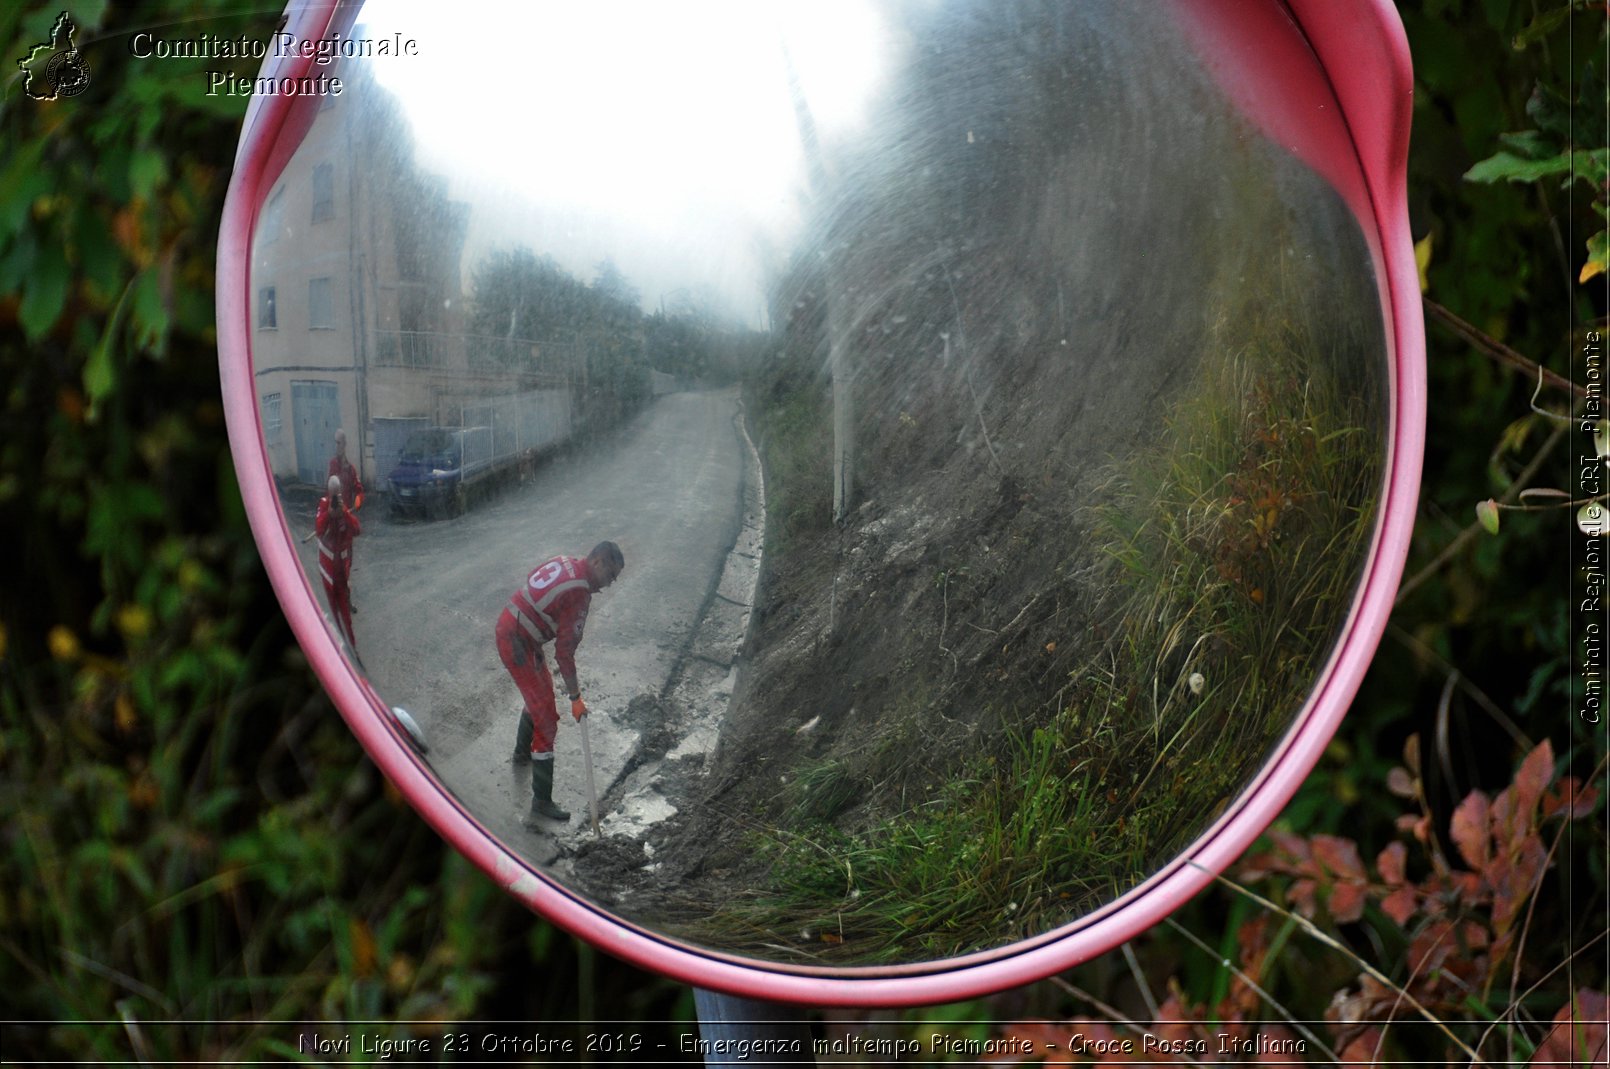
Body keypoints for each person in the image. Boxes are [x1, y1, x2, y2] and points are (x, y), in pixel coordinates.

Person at [498, 541, 625, 822]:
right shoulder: (580, 594)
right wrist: (576, 698)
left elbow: (533, 577)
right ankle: (542, 801)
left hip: (516, 630)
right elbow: (565, 654)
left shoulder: (566, 561)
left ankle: (522, 754)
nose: (608, 584)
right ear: (598, 562)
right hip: (518, 642)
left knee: (540, 700)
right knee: (546, 720)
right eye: (610, 575)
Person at [316, 474, 361, 651]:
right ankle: (333, 647)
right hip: (328, 571)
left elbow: (357, 530)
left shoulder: (343, 509)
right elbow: (319, 530)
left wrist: (344, 514)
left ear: (341, 493)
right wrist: (329, 513)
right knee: (331, 609)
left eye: (338, 494)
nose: (335, 498)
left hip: (342, 569)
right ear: (329, 493)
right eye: (333, 494)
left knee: (344, 611)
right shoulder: (323, 504)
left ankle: (351, 648)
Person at [328, 429, 364, 512]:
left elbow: (360, 492)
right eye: (335, 443)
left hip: (346, 514)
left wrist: (355, 507)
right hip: (332, 515)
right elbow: (328, 491)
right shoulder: (332, 465)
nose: (336, 446)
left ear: (344, 444)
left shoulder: (350, 469)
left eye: (339, 443)